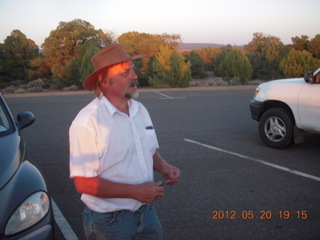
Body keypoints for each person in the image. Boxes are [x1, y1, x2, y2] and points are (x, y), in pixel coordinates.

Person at [69, 44, 180, 240]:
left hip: (147, 214)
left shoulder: (140, 110)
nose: (134, 76)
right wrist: (134, 192)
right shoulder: (88, 122)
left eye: (133, 69)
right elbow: (83, 183)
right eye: (125, 72)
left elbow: (147, 148)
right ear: (105, 82)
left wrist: (163, 166)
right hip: (109, 223)